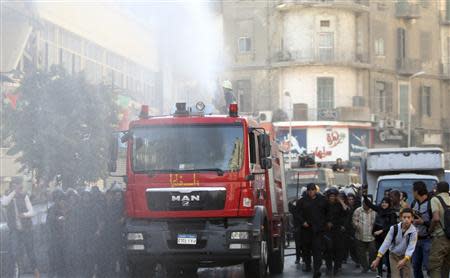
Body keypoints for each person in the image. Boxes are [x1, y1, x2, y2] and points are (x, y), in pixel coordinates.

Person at [1, 177, 40, 278]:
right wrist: (14, 192)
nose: (18, 188)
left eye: (18, 186)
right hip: (15, 230)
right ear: (12, 186)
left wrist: (24, 215)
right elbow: (4, 203)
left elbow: (32, 212)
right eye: (15, 186)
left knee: (30, 252)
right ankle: (16, 273)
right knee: (14, 253)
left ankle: (36, 272)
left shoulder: (24, 196)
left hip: (26, 229)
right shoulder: (7, 197)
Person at [371, 208, 418, 278]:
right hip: (393, 255)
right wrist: (377, 259)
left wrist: (404, 260)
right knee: (395, 276)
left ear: (412, 218)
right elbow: (386, 243)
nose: (406, 220)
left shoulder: (413, 231)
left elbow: (411, 247)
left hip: (406, 256)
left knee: (407, 276)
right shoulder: (394, 228)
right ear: (401, 218)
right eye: (404, 217)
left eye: (409, 217)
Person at [296, 183, 328, 278]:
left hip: (318, 230)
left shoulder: (322, 200)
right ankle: (308, 265)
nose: (311, 192)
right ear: (307, 191)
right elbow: (297, 213)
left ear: (315, 190)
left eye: (313, 190)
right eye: (309, 190)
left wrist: (325, 223)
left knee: (317, 250)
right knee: (306, 249)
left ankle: (317, 269)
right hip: (306, 229)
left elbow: (327, 212)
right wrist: (303, 222)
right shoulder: (302, 201)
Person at [367, 196, 398, 278]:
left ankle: (389, 273)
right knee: (379, 255)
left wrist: (382, 230)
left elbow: (392, 225)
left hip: (388, 237)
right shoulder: (379, 210)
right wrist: (364, 196)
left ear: (389, 204)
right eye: (383, 202)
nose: (384, 204)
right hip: (378, 237)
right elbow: (369, 205)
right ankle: (379, 273)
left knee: (388, 257)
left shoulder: (392, 213)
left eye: (386, 202)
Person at [410, 181, 432, 278]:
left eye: (413, 191)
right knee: (415, 266)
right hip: (415, 239)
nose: (412, 193)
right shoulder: (414, 203)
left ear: (417, 191)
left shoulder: (430, 203)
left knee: (429, 266)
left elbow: (436, 222)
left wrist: (423, 222)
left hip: (428, 239)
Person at [428, 181, 450, 278]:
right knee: (446, 266)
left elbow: (436, 218)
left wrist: (430, 229)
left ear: (437, 189)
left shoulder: (435, 199)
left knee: (435, 266)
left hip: (440, 237)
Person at [324, 188, 347, 276]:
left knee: (338, 250)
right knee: (328, 250)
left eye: (334, 196)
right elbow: (321, 215)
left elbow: (346, 211)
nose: (332, 198)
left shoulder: (339, 205)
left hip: (337, 230)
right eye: (331, 196)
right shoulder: (324, 205)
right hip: (327, 230)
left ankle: (337, 268)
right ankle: (329, 267)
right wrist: (326, 223)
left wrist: (340, 201)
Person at [47, 189, 68, 278]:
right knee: (55, 261)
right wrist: (58, 219)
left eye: (61, 199)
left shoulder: (66, 208)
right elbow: (50, 221)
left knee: (64, 262)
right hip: (55, 239)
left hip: (66, 238)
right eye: (58, 199)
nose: (60, 201)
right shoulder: (52, 209)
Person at [352, 201, 376, 274]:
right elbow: (354, 221)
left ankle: (371, 265)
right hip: (360, 235)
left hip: (371, 236)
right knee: (361, 253)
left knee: (373, 251)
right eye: (365, 204)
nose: (366, 206)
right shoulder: (358, 210)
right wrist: (357, 226)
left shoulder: (374, 211)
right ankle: (365, 267)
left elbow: (376, 221)